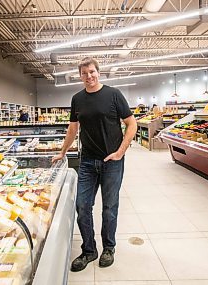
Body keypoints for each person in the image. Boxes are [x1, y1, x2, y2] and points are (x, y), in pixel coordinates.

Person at [52, 57, 137, 272]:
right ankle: (89, 250)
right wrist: (62, 152)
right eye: (84, 73)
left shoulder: (114, 95)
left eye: (92, 72)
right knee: (82, 205)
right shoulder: (77, 99)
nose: (89, 76)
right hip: (88, 161)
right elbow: (73, 129)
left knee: (109, 208)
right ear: (79, 76)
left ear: (99, 72)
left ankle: (109, 247)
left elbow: (131, 123)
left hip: (112, 162)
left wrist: (120, 151)